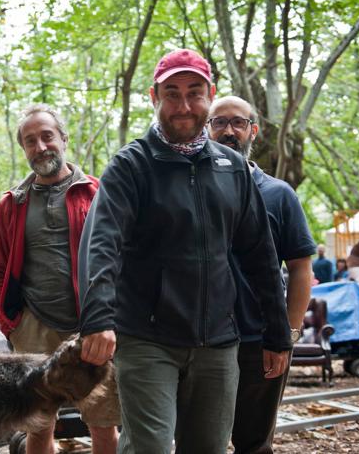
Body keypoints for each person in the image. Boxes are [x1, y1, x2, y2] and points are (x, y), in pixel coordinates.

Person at [78, 49, 292, 454]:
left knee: (209, 447)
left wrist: (278, 333)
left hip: (218, 341)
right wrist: (97, 319)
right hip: (147, 336)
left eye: (194, 93)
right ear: (154, 96)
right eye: (171, 93)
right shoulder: (131, 166)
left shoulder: (231, 168)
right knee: (151, 447)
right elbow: (102, 244)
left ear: (210, 95)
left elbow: (260, 254)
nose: (183, 106)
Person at [0, 104, 119, 454]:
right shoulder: (11, 204)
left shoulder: (98, 193)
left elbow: (122, 258)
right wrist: (10, 323)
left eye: (47, 136)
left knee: (103, 423)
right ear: (24, 149)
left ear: (63, 138)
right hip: (34, 326)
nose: (41, 146)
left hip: (92, 326)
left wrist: (111, 318)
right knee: (38, 424)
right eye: (31, 141)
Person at [208, 95, 316, 454]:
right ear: (206, 130)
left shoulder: (278, 194)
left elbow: (301, 268)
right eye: (219, 122)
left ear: (253, 130)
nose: (228, 131)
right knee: (197, 438)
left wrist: (288, 330)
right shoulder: (192, 191)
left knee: (254, 443)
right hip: (200, 338)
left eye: (238, 123)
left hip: (259, 340)